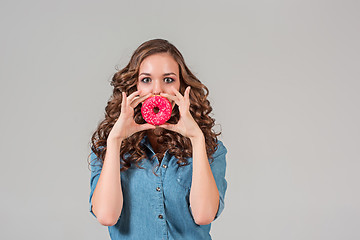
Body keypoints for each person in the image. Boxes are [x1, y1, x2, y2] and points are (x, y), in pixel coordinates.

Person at [88, 38, 228, 239]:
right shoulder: (108, 148)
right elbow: (106, 216)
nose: (157, 90)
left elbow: (204, 215)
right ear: (133, 86)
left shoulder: (211, 149)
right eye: (146, 80)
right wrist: (115, 140)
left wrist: (197, 138)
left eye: (168, 79)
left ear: (181, 87)